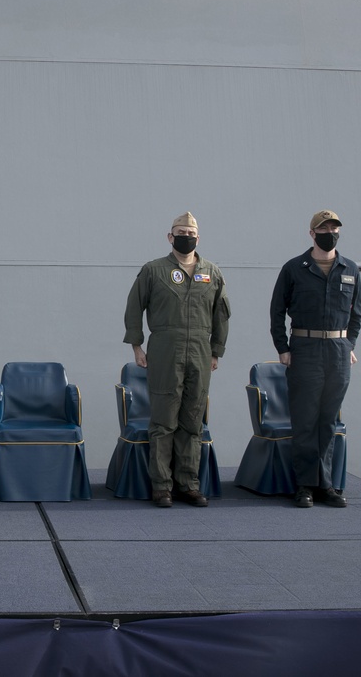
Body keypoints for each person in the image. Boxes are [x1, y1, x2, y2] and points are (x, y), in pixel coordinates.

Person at [123, 212, 230, 508]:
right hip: (165, 349)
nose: (186, 237)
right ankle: (161, 486)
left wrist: (216, 351)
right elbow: (134, 307)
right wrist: (137, 346)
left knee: (193, 421)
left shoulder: (212, 272)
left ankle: (189, 484)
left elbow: (221, 314)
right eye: (179, 232)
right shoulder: (153, 270)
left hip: (200, 350)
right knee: (163, 421)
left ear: (198, 237)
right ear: (170, 237)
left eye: (190, 232)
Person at [270, 210, 361, 508]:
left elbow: (356, 314)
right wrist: (283, 348)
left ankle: (327, 485)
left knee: (328, 421)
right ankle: (305, 486)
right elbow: (277, 312)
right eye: (324, 228)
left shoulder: (350, 269)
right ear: (312, 233)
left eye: (335, 228)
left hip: (337, 352)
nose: (330, 232)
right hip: (305, 349)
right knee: (305, 421)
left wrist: (349, 343)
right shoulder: (295, 268)